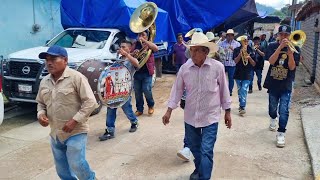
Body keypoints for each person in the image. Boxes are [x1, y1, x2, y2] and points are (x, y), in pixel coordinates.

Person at [162, 32, 232, 180]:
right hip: (191, 116)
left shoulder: (217, 67)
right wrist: (169, 111)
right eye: (191, 49)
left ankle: (203, 176)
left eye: (196, 50)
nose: (192, 53)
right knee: (195, 148)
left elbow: (224, 90)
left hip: (210, 116)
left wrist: (228, 112)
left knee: (206, 150)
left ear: (205, 52)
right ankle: (199, 170)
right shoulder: (185, 69)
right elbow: (177, 90)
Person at [36, 45, 97, 180]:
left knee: (77, 164)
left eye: (53, 59)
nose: (49, 62)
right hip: (56, 133)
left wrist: (74, 120)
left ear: (65, 60)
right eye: (47, 59)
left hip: (76, 131)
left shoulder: (77, 78)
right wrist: (41, 115)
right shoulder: (45, 81)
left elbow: (91, 102)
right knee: (62, 170)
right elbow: (40, 103)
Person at [263, 25, 300, 148]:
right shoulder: (271, 46)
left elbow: (292, 67)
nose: (284, 37)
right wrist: (280, 48)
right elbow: (272, 61)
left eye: (286, 35)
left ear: (289, 35)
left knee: (284, 110)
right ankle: (273, 118)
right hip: (273, 83)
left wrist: (289, 52)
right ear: (278, 35)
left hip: (286, 84)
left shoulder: (295, 49)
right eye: (282, 34)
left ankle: (281, 133)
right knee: (272, 109)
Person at [99, 40, 140, 141]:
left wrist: (127, 55)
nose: (121, 48)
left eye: (124, 47)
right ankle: (110, 130)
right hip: (114, 89)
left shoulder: (131, 59)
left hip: (125, 89)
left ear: (129, 49)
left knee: (127, 109)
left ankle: (134, 122)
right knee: (111, 108)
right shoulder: (117, 59)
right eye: (120, 47)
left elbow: (137, 64)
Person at [132, 31, 158, 116]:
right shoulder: (136, 44)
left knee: (147, 89)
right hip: (137, 72)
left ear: (147, 36)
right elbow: (129, 54)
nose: (141, 36)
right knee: (137, 92)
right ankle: (139, 109)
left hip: (147, 72)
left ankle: (151, 105)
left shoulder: (149, 45)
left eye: (143, 35)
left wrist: (145, 41)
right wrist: (134, 53)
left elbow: (156, 49)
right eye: (140, 35)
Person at [233, 36, 256, 115]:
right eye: (243, 41)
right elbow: (235, 61)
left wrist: (249, 58)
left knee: (244, 90)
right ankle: (241, 104)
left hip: (247, 73)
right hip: (238, 73)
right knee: (240, 91)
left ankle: (242, 106)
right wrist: (240, 54)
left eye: (246, 40)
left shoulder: (251, 50)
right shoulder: (236, 50)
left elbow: (253, 64)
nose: (245, 42)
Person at [219, 29, 241, 96]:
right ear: (226, 36)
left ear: (233, 36)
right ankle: (222, 90)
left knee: (231, 78)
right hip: (223, 63)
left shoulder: (237, 44)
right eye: (228, 36)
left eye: (231, 36)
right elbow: (219, 53)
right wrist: (224, 51)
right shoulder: (221, 43)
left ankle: (230, 91)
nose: (230, 37)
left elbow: (239, 53)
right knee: (221, 78)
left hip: (232, 64)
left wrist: (233, 50)